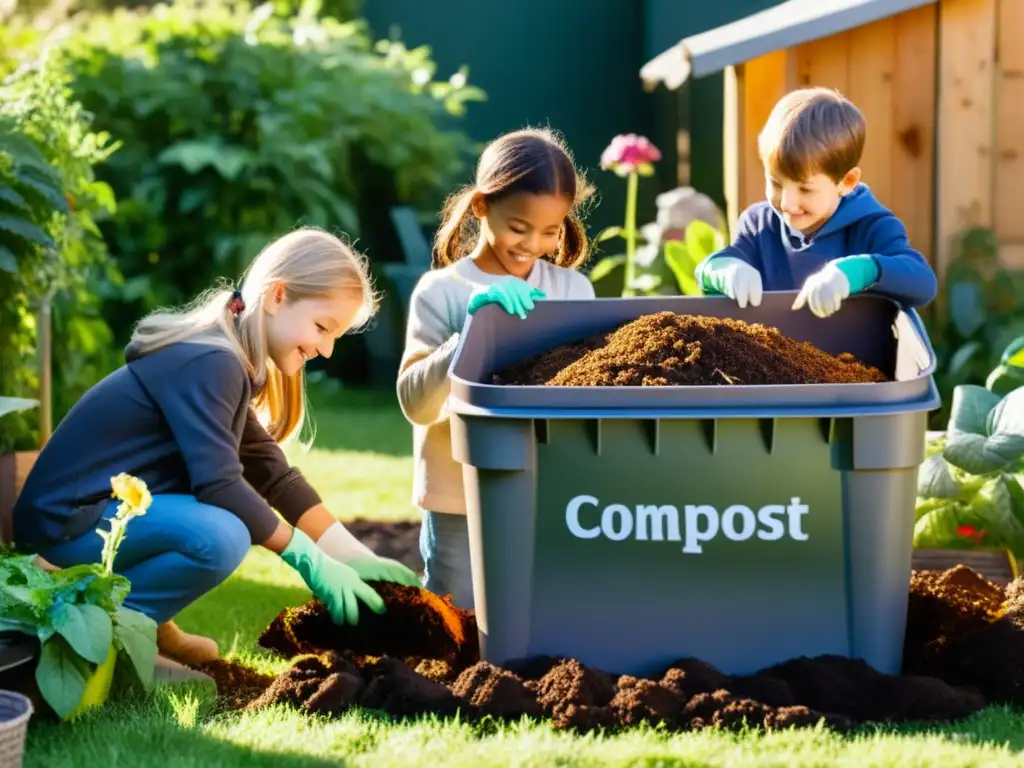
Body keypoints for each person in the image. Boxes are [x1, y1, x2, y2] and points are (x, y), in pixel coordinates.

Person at [13, 227, 419, 667]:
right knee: (223, 534)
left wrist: (351, 554)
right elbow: (219, 483)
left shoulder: (226, 358)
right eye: (323, 327)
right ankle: (104, 631)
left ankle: (140, 625)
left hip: (89, 517)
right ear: (278, 295)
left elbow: (271, 472)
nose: (325, 349)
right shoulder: (212, 361)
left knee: (224, 525)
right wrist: (306, 558)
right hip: (67, 523)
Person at [396, 127, 596, 609]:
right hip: (458, 495)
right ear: (482, 206)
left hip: (548, 492)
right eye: (518, 227)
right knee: (458, 618)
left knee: (542, 616)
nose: (532, 244)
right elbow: (416, 405)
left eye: (550, 231)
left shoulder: (573, 292)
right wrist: (470, 331)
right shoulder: (441, 292)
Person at [696, 87, 938, 318]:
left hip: (846, 356)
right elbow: (710, 269)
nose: (788, 204)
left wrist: (859, 272)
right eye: (777, 184)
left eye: (805, 189)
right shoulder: (759, 225)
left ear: (847, 182)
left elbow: (923, 283)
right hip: (770, 355)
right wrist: (727, 270)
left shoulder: (871, 226)